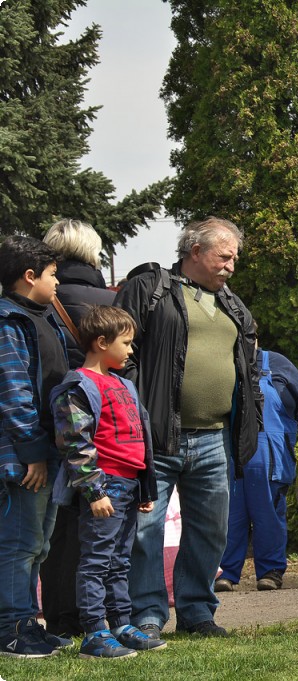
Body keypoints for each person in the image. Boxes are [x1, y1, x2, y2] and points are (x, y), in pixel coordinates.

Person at [114, 217, 261, 638]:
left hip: (215, 437)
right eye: (224, 255)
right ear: (195, 251)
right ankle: (146, 614)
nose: (232, 265)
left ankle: (197, 612)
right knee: (145, 530)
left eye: (235, 257)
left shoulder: (233, 304)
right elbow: (121, 353)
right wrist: (137, 410)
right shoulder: (151, 288)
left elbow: (247, 369)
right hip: (156, 437)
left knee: (210, 530)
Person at [50, 306, 166, 658]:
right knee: (97, 560)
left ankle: (120, 624)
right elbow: (75, 441)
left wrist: (145, 488)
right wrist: (94, 490)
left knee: (120, 560)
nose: (131, 350)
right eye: (126, 343)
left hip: (129, 485)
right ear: (101, 342)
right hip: (105, 485)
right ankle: (95, 633)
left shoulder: (124, 383)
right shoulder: (79, 386)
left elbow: (138, 439)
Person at [39, 218, 116, 639]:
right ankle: (105, 619)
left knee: (59, 530)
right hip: (108, 430)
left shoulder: (44, 300)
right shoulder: (109, 300)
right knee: (104, 530)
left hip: (60, 427)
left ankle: (62, 619)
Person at [0, 237, 72, 659]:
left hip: (48, 454)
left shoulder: (41, 316)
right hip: (26, 459)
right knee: (20, 543)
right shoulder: (9, 321)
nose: (58, 282)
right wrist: (33, 453)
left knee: (39, 544)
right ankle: (11, 629)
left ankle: (29, 621)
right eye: (52, 274)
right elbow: (13, 392)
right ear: (30, 276)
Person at [217, 346, 298, 592]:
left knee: (269, 515)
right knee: (231, 515)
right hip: (233, 453)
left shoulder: (279, 364)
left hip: (271, 453)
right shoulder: (223, 363)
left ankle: (270, 572)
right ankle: (225, 573)